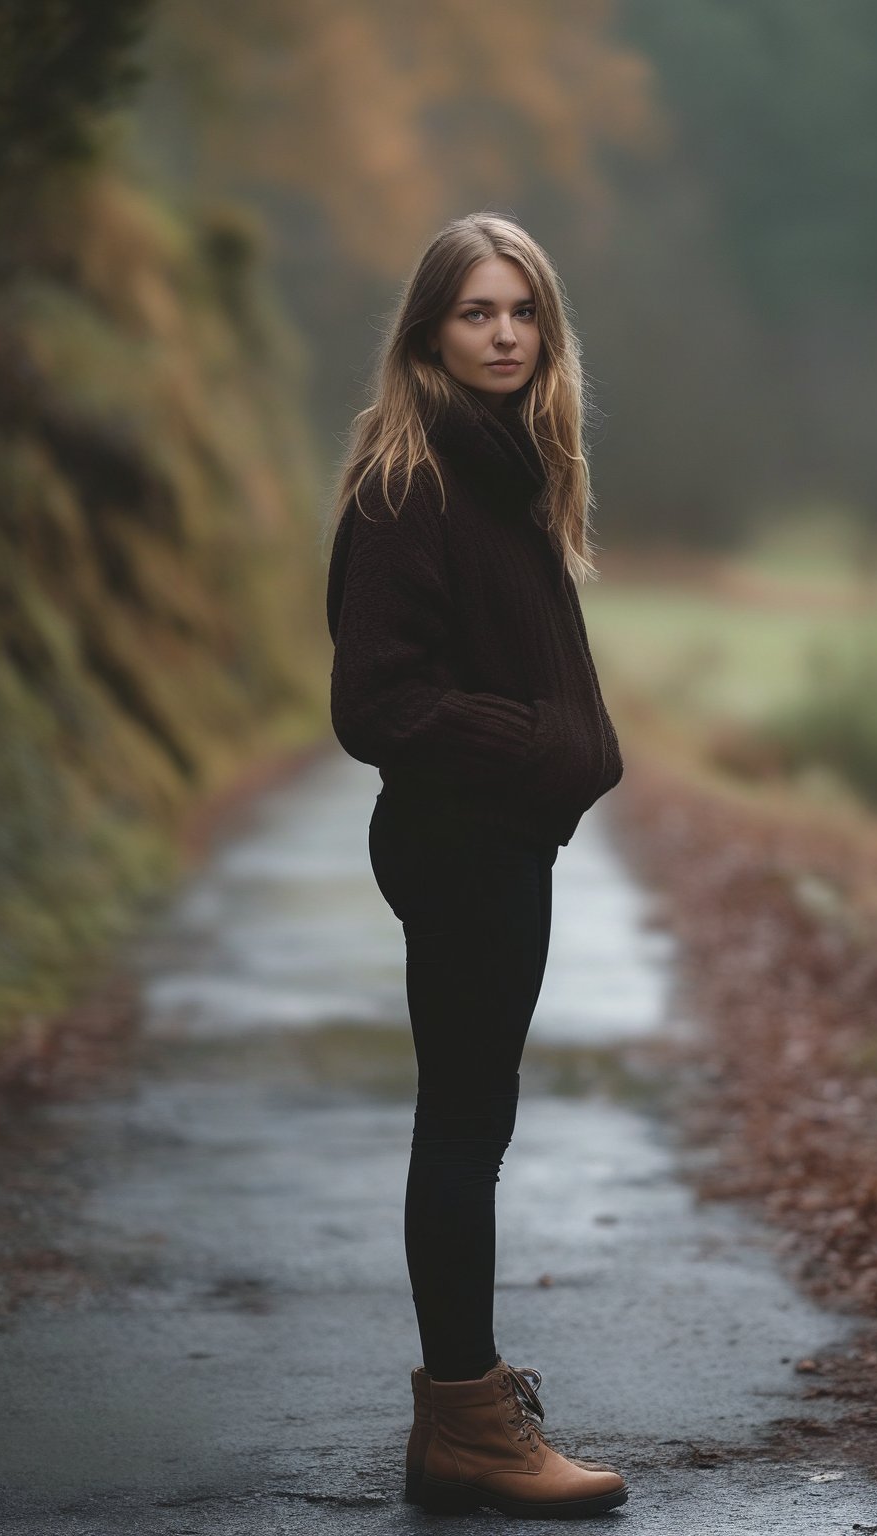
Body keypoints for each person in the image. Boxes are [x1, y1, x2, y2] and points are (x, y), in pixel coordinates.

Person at [324, 212, 627, 1519]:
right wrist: (546, 741)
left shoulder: (512, 462)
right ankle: (466, 1425)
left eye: (522, 312)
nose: (504, 333)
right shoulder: (409, 481)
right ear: (429, 332)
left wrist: (558, 756)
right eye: (475, 312)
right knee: (462, 1123)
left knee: (475, 1118)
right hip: (461, 839)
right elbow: (375, 703)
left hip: (499, 834)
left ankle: (464, 1402)